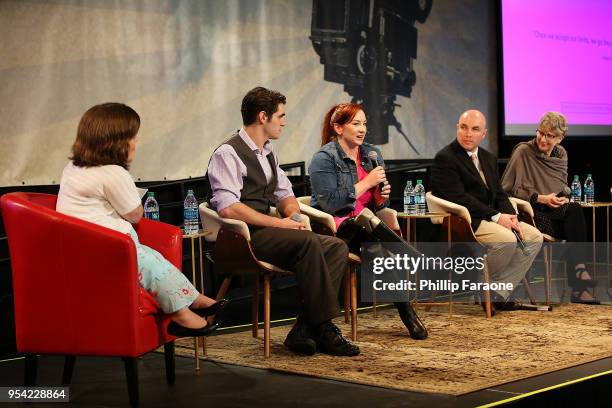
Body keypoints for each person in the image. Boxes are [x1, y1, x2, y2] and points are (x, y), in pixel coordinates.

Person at [206, 87, 359, 356]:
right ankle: (323, 326)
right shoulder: (228, 154)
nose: (284, 121)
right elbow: (228, 208)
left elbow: (285, 195)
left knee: (336, 247)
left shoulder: (268, 152)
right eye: (281, 115)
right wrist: (280, 224)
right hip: (245, 237)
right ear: (263, 117)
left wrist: (294, 217)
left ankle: (304, 328)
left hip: (271, 233)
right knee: (310, 243)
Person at [57, 103, 224, 337]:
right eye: (133, 138)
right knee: (152, 266)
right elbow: (135, 214)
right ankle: (182, 316)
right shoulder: (113, 173)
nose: (136, 143)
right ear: (117, 142)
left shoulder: (73, 168)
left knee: (153, 257)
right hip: (108, 251)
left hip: (85, 249)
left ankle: (195, 299)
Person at [308, 103, 428, 340]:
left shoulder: (372, 154)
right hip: (335, 227)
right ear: (338, 127)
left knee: (371, 240)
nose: (362, 129)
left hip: (367, 226)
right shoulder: (324, 158)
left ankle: (406, 303)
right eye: (355, 124)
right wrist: (366, 183)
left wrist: (381, 196)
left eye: (364, 124)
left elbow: (379, 206)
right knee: (366, 234)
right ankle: (408, 311)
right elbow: (330, 204)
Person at [430, 109, 543, 315]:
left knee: (534, 236)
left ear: (483, 133)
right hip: (467, 221)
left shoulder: (488, 158)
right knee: (507, 240)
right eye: (463, 128)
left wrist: (512, 217)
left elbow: (499, 194)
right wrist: (498, 217)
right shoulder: (445, 158)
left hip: (491, 217)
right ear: (457, 128)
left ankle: (497, 291)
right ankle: (483, 285)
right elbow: (459, 198)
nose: (468, 134)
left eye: (474, 129)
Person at [501, 112, 598, 304]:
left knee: (574, 209)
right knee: (574, 230)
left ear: (560, 139)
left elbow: (561, 185)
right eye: (541, 133)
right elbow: (506, 190)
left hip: (554, 212)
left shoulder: (561, 154)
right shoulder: (523, 151)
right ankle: (579, 286)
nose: (543, 139)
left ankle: (579, 271)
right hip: (530, 213)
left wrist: (562, 198)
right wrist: (541, 198)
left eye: (550, 136)